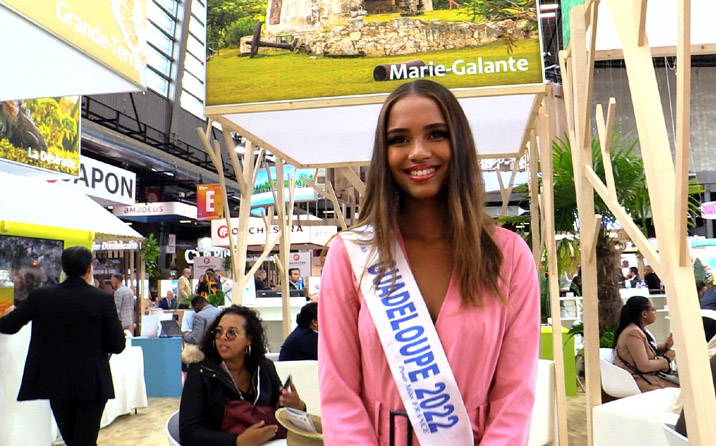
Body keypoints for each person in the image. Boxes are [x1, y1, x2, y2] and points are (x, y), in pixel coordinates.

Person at [318, 80, 540, 445]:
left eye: (436, 134)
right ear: (383, 153)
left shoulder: (508, 255)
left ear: (459, 144)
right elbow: (339, 393)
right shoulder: (352, 254)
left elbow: (515, 395)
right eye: (399, 139)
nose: (418, 152)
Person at [0, 246, 125, 446]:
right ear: (89, 269)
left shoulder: (41, 296)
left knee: (72, 439)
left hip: (55, 382)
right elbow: (118, 344)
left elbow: (8, 326)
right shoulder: (101, 299)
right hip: (92, 382)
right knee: (84, 440)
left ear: (63, 269)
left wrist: (8, 314)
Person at [179, 305, 306, 446]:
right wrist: (237, 441)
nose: (223, 337)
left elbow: (278, 413)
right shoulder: (202, 371)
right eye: (219, 331)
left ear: (249, 339)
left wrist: (298, 407)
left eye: (231, 333)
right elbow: (189, 434)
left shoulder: (264, 367)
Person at [612, 296, 678, 392]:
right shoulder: (633, 332)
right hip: (641, 381)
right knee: (686, 390)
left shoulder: (638, 330)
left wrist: (666, 346)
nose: (655, 313)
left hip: (646, 378)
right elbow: (644, 366)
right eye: (653, 309)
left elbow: (647, 352)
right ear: (644, 314)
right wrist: (666, 359)